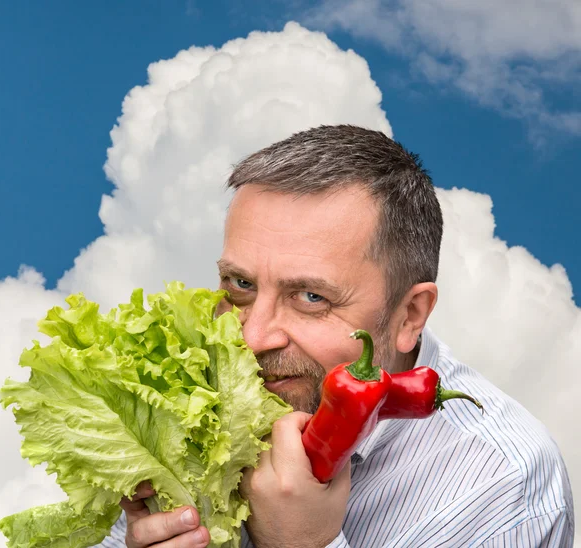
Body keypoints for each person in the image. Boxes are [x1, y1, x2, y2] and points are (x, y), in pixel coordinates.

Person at [98, 125, 574, 547]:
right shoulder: (181, 404)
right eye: (241, 285)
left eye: (310, 297)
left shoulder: (504, 488)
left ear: (410, 315)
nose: (253, 338)